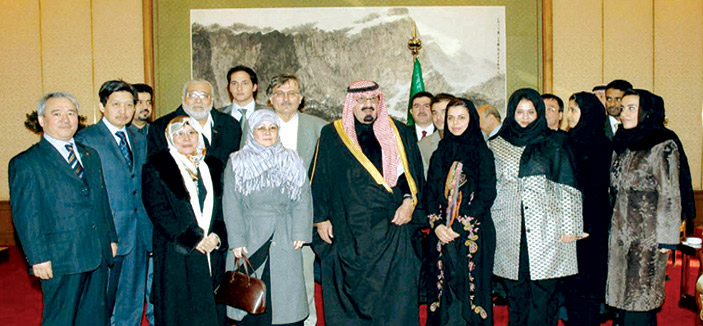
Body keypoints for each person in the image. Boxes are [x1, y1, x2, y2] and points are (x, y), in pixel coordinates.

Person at [311, 79, 425, 325]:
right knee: (349, 300)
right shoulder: (332, 134)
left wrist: (408, 203)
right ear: (351, 103)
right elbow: (319, 178)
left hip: (392, 228)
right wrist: (320, 219)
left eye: (372, 99)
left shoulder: (399, 132)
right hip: (348, 230)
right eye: (361, 100)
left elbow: (411, 176)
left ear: (379, 101)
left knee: (394, 298)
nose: (367, 105)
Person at [9, 92, 117, 325]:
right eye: (57, 114)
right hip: (60, 257)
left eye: (71, 113)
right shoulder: (27, 163)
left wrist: (111, 237)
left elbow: (101, 199)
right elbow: (26, 216)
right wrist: (37, 257)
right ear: (41, 120)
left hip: (97, 251)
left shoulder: (90, 155)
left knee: (95, 318)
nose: (66, 119)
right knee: (60, 319)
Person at [488, 88, 584, 326]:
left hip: (547, 232)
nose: (525, 117)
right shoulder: (496, 144)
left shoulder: (555, 142)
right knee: (516, 294)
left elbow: (569, 187)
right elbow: (491, 188)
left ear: (539, 113)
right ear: (511, 113)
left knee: (544, 295)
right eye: (519, 112)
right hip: (509, 230)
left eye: (531, 112)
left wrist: (571, 228)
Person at [224, 109, 313, 326]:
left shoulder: (292, 159)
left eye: (272, 128)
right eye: (261, 128)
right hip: (251, 237)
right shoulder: (237, 162)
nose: (267, 133)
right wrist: (236, 240)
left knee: (286, 303)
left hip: (285, 235)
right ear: (251, 132)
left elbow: (303, 197)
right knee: (251, 299)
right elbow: (231, 203)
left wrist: (300, 231)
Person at [76, 80, 151, 326]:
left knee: (132, 297)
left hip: (138, 232)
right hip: (106, 235)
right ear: (102, 106)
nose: (123, 110)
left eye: (129, 104)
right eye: (116, 104)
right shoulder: (85, 139)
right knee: (101, 300)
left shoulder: (139, 138)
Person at [142, 116, 227, 326]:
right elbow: (158, 210)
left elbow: (221, 206)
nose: (186, 138)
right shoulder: (157, 165)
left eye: (191, 132)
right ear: (170, 138)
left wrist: (216, 236)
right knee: (180, 311)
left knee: (210, 308)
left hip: (210, 249)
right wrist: (194, 240)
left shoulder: (212, 165)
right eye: (179, 133)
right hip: (177, 251)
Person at [607, 89, 681, 326]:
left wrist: (667, 240)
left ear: (647, 112)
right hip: (619, 235)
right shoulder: (622, 143)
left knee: (641, 301)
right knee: (623, 305)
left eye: (631, 108)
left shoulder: (662, 144)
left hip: (647, 239)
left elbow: (670, 193)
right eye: (623, 107)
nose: (624, 113)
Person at [424, 98, 497, 326]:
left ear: (471, 120)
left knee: (472, 295)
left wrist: (457, 227)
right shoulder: (440, 153)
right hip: (442, 235)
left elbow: (487, 194)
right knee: (444, 295)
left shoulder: (482, 153)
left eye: (461, 118)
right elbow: (430, 193)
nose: (455, 123)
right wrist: (437, 226)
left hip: (473, 234)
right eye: (451, 118)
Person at [266, 74, 326, 326]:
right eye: (279, 93)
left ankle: (308, 322)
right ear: (270, 99)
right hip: (265, 219)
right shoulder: (257, 124)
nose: (286, 98)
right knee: (269, 278)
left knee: (302, 277)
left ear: (301, 99)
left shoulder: (319, 127)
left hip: (304, 217)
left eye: (292, 93)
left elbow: (326, 176)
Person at [564, 92, 613, 326]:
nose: (568, 115)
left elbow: (597, 192)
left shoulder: (603, 146)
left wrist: (585, 226)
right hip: (567, 228)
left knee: (589, 292)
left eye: (573, 110)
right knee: (571, 291)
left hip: (591, 228)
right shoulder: (567, 142)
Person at [148, 79, 242, 165]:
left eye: (204, 96)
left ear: (212, 99)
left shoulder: (231, 125)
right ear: (183, 98)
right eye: (192, 95)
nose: (198, 101)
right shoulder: (161, 127)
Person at [650, 93, 696, 234]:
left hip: (660, 214)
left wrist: (685, 212)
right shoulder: (626, 137)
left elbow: (681, 176)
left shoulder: (666, 138)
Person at [220, 65, 267, 135]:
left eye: (245, 83)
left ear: (254, 87)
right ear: (229, 87)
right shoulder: (218, 116)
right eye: (234, 83)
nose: (239, 88)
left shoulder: (268, 113)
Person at [419, 93, 454, 178]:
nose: (438, 117)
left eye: (444, 112)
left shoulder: (472, 141)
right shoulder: (423, 144)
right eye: (434, 113)